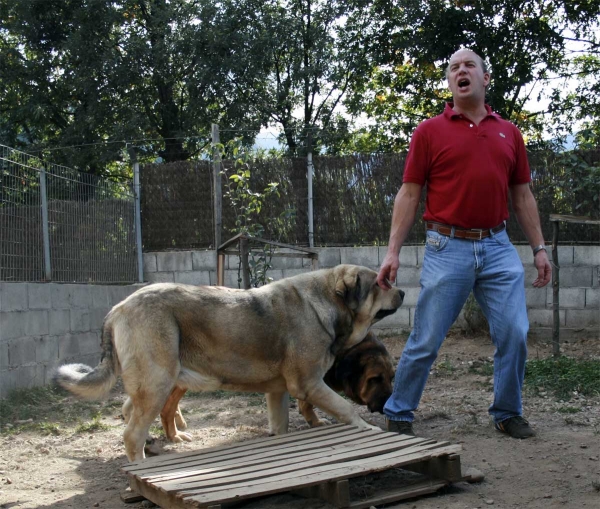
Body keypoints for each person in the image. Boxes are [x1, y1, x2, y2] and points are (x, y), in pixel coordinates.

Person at [376, 48, 552, 439]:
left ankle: (507, 412)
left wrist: (539, 248)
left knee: (514, 333)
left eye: (469, 65)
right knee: (427, 337)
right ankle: (400, 410)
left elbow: (522, 196)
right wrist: (393, 252)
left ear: (485, 78)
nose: (461, 70)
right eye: (454, 66)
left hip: (498, 246)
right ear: (450, 82)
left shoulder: (509, 132)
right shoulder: (429, 132)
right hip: (446, 246)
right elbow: (409, 194)